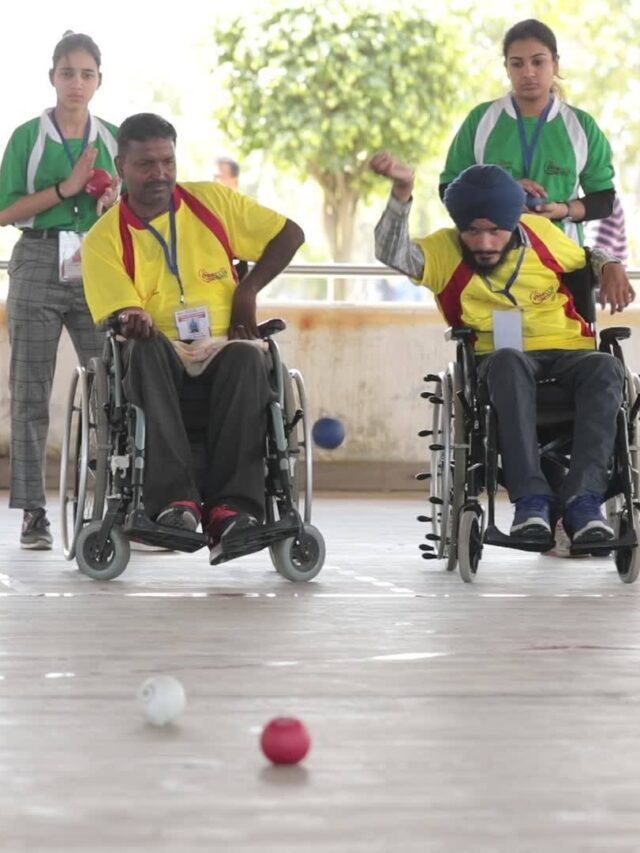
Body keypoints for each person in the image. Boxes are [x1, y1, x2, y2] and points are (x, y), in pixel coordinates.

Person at [371, 152, 635, 546]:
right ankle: (531, 501)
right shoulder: (444, 250)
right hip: (499, 360)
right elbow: (392, 253)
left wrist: (610, 262)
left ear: (515, 223)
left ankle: (584, 502)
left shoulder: (540, 233)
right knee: (508, 362)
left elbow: (584, 258)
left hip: (568, 351)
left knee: (606, 368)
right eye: (472, 232)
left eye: (495, 231)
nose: (483, 242)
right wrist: (402, 192)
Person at [81, 113, 304, 564]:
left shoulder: (211, 203)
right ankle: (174, 504)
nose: (160, 174)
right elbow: (119, 311)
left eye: (168, 162)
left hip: (223, 345)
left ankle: (233, 512)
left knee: (247, 357)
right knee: (141, 349)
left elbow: (290, 234)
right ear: (121, 165)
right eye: (146, 164)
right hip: (159, 348)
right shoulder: (103, 240)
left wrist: (247, 289)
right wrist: (132, 316)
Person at [0, 32, 119, 550]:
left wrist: (114, 202)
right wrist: (66, 190)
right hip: (37, 261)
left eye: (86, 74)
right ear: (52, 76)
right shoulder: (28, 137)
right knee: (29, 394)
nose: (77, 82)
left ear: (99, 81)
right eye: (67, 72)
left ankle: (113, 503)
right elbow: (4, 212)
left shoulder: (115, 139)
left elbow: (136, 210)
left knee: (114, 389)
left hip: (97, 265)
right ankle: (33, 512)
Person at [440, 19, 615, 245]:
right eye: (517, 64)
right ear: (507, 68)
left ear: (555, 64)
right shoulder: (481, 119)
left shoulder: (581, 125)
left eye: (538, 62)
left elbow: (603, 200)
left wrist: (564, 210)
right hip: (493, 261)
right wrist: (502, 193)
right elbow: (448, 190)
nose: (528, 72)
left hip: (561, 262)